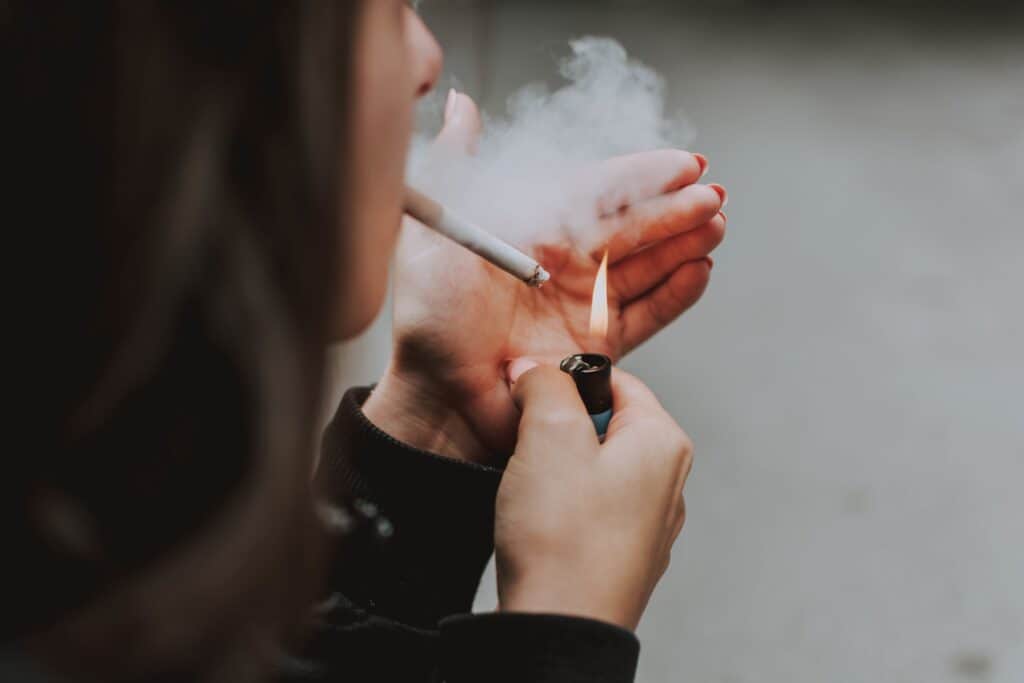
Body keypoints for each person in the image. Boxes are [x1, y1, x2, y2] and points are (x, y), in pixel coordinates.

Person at [4, 2, 726, 681]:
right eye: (383, 8)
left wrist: (429, 434)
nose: (428, 56)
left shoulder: (92, 506)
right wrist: (563, 630)